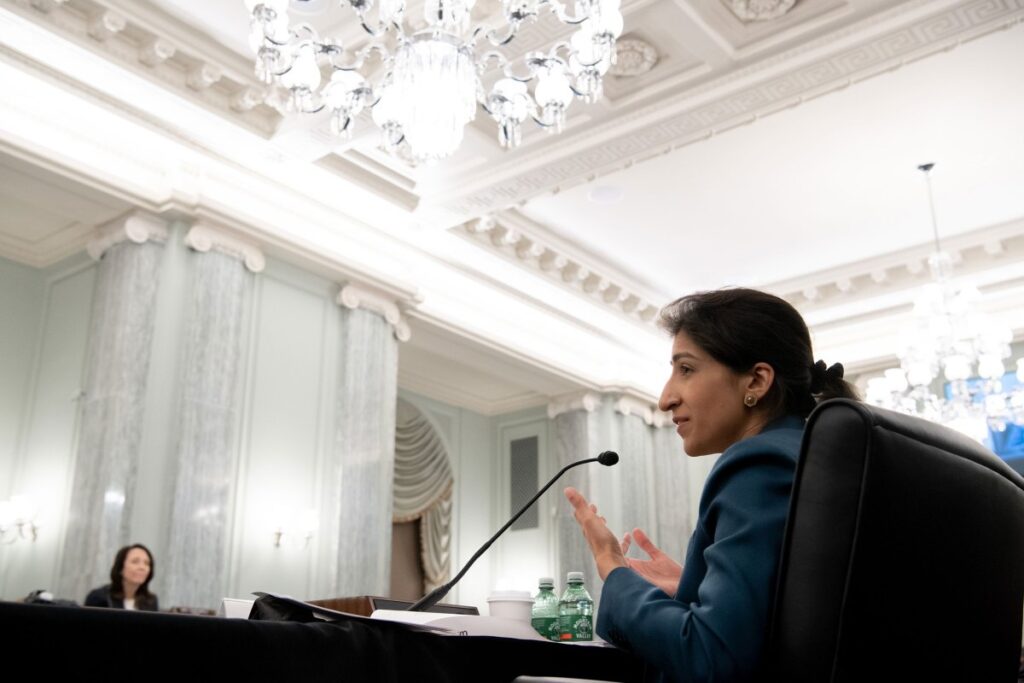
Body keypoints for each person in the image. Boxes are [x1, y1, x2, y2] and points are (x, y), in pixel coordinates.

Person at [565, 288, 858, 682]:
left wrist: (613, 569)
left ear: (756, 380)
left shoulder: (759, 464)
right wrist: (692, 587)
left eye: (685, 369)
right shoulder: (807, 455)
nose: (666, 398)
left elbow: (710, 657)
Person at [85, 543, 159, 611]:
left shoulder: (151, 601)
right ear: (121, 568)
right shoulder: (99, 598)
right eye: (135, 562)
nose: (142, 567)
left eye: (147, 563)